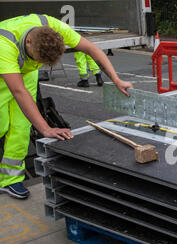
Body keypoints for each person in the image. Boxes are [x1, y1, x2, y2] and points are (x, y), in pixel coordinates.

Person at [0, 13, 133, 199]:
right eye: (37, 59)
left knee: (21, 128)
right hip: (3, 74)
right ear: (28, 41)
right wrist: (46, 129)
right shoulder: (4, 43)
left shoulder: (53, 27)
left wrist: (116, 79)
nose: (39, 64)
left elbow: (91, 49)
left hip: (25, 73)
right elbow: (18, 91)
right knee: (2, 125)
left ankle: (10, 180)